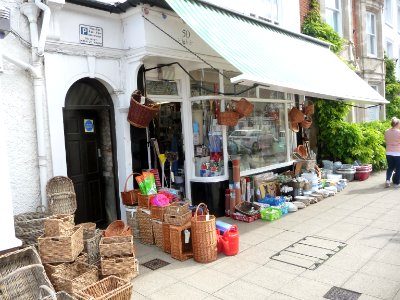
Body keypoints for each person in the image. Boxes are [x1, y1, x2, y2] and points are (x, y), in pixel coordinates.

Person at [384, 117, 400, 188]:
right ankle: (396, 183)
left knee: (390, 167)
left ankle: (387, 180)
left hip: (388, 152)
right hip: (397, 152)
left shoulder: (386, 131)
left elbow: (386, 140)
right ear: (397, 124)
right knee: (398, 168)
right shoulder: (399, 132)